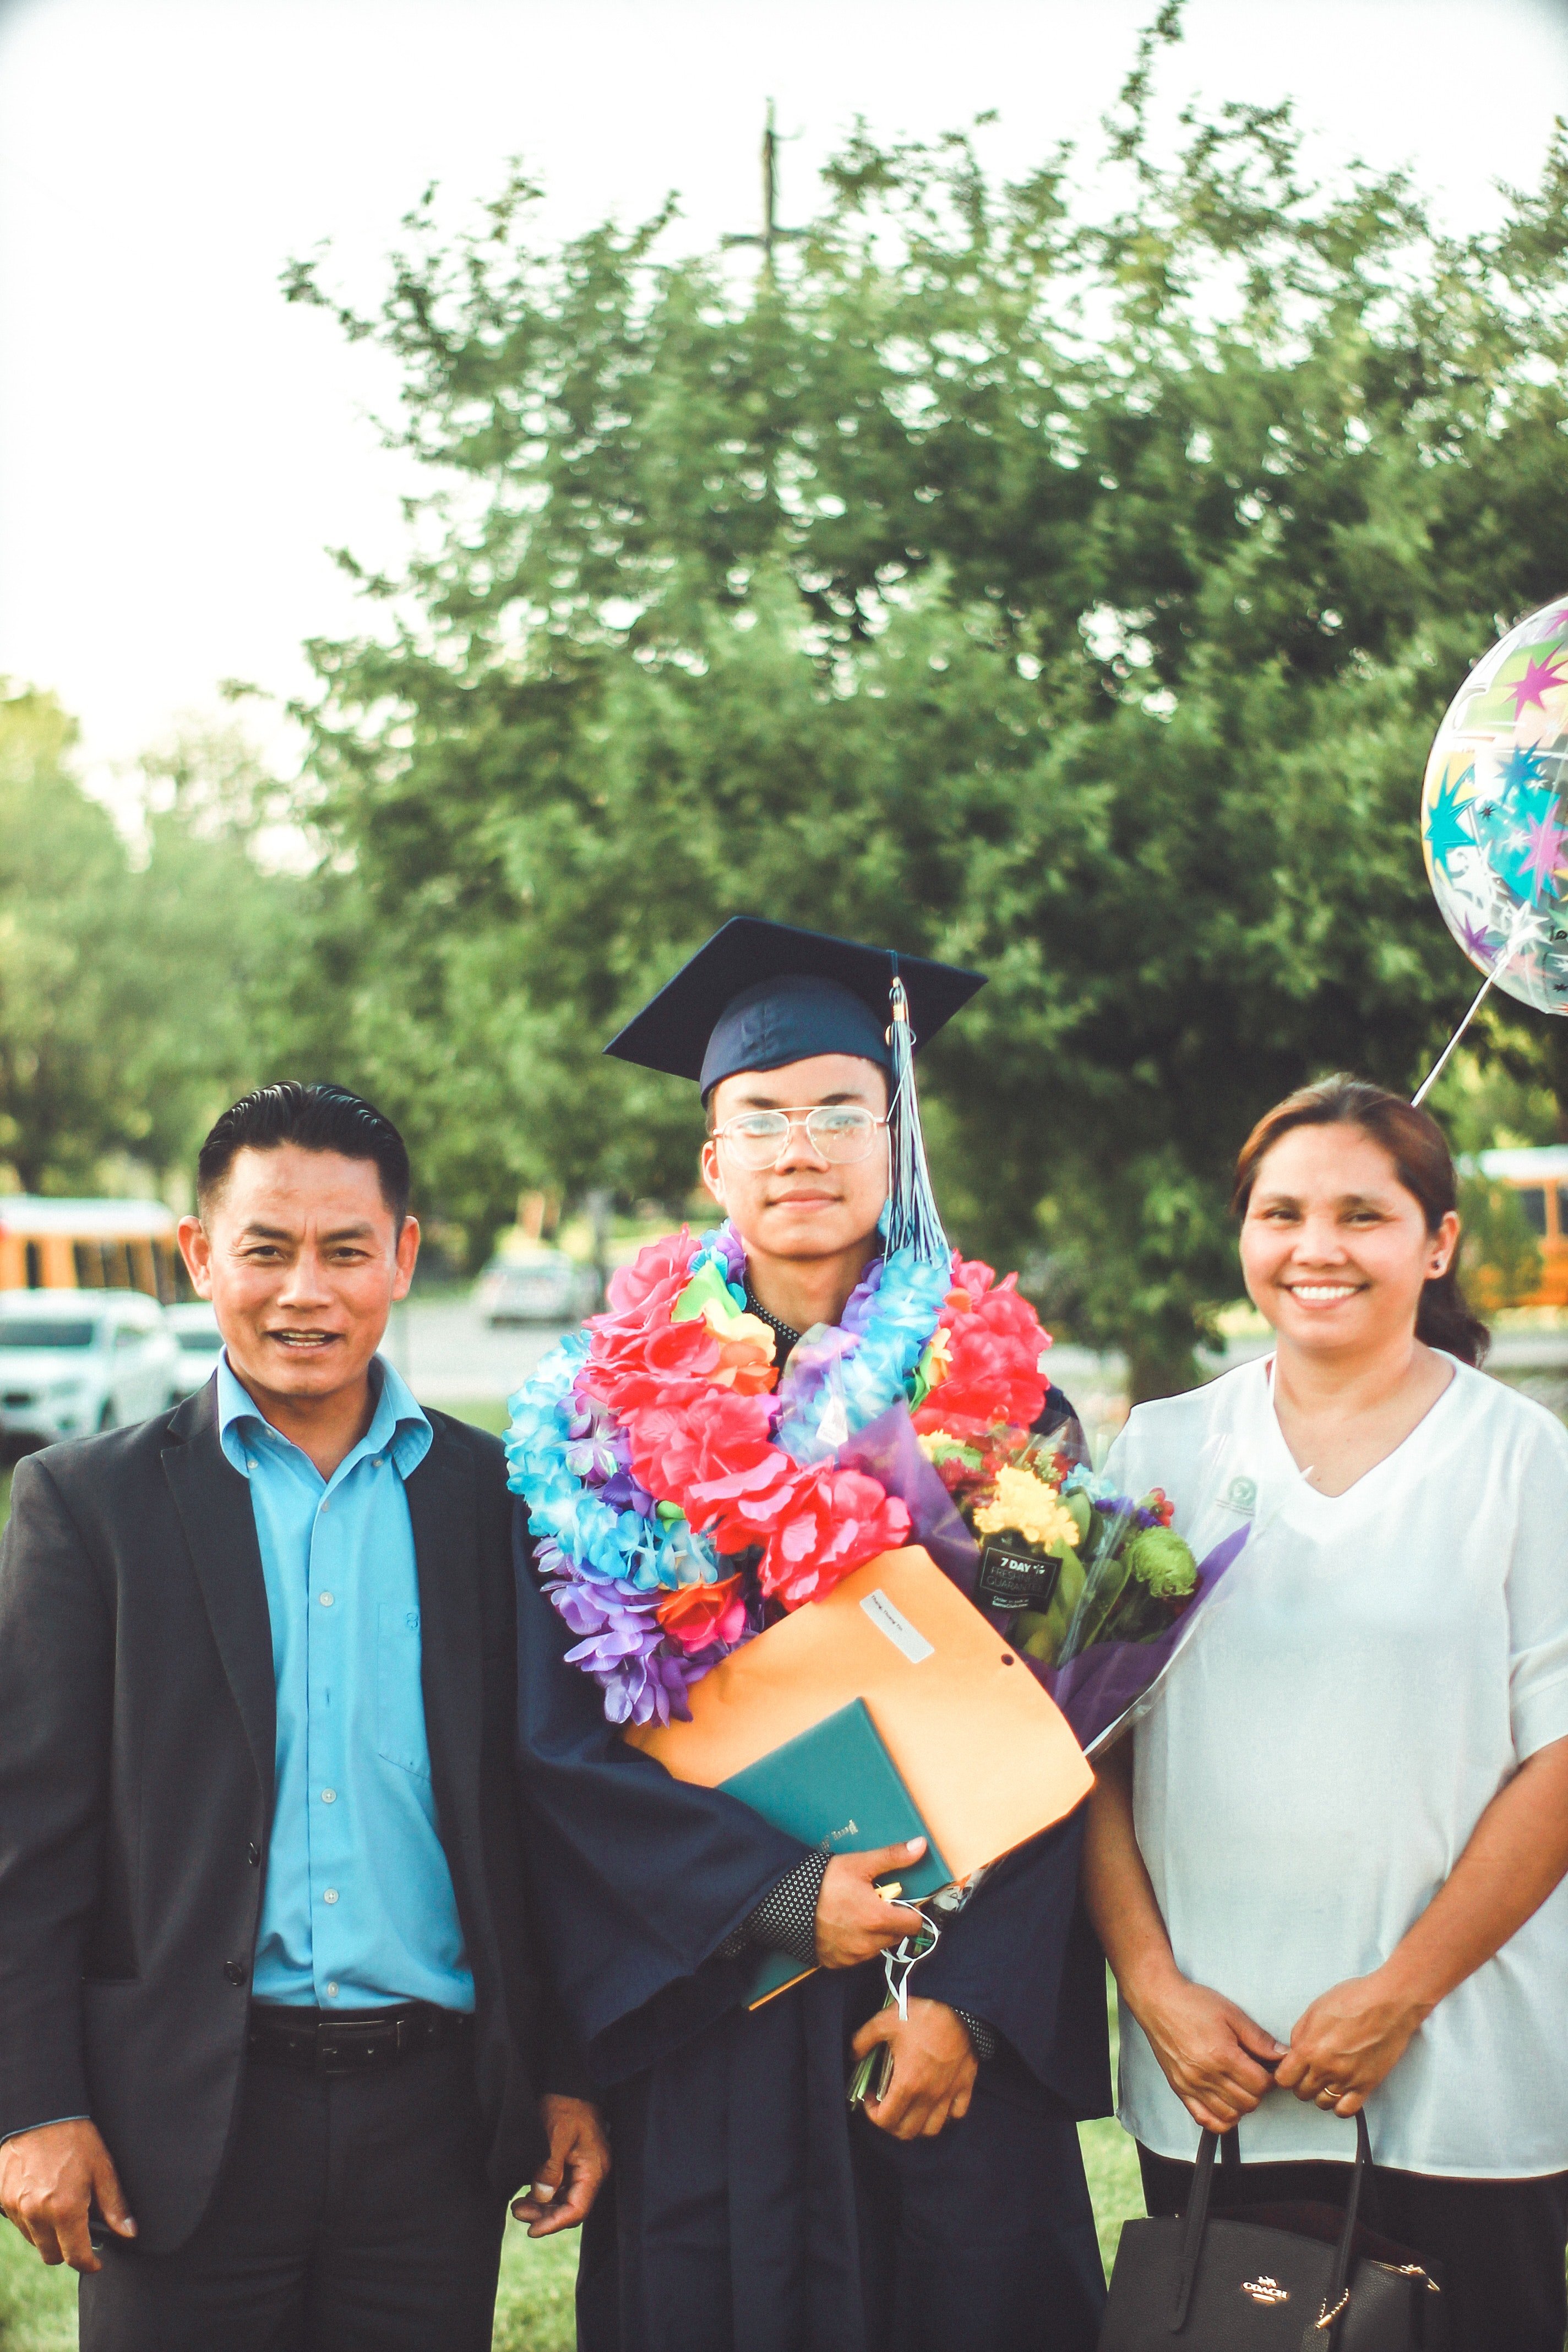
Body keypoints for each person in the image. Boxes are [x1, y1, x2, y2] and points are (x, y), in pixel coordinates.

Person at [510, 919, 1110, 2352]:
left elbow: (1076, 1711)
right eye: (761, 1118)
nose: (803, 1147)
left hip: (938, 2020)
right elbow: (557, 1742)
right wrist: (777, 1901)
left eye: (843, 1111)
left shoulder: (1006, 1408)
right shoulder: (601, 1428)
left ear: (897, 1140)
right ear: (712, 1160)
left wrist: (969, 2001)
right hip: (713, 2012)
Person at [0, 1082, 609, 2351]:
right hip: (179, 2118)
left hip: (435, 2124)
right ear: (198, 1255)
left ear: (403, 1256)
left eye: (344, 1251)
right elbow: (30, 1843)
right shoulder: (84, 1509)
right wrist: (32, 2105)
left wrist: (562, 2070)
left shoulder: (500, 1502)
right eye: (265, 1251)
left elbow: (539, 1818)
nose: (303, 1293)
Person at [1084, 1075, 1568, 2352]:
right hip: (1214, 2075)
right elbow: (1083, 1751)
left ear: (1437, 1242)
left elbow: (1559, 1762)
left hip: (1460, 2068)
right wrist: (1150, 1989)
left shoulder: (1523, 1461)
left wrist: (1402, 1994)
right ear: (1241, 1233)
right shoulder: (1156, 1455)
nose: (1315, 1248)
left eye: (1362, 1214)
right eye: (1280, 1212)